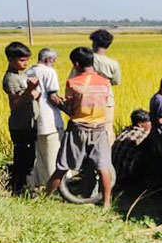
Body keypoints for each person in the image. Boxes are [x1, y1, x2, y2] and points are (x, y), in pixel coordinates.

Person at [46, 47, 114, 210]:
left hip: (78, 128)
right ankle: (106, 204)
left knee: (62, 166)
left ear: (76, 64)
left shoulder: (73, 83)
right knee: (103, 167)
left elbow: (71, 109)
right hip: (99, 129)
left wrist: (59, 103)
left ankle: (45, 198)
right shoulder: (105, 82)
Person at [70, 30, 121, 144]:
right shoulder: (113, 63)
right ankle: (108, 156)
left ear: (94, 43)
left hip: (84, 98)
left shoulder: (85, 58)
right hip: (107, 99)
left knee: (85, 127)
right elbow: (116, 81)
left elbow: (73, 79)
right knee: (107, 129)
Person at [2, 41, 40, 195]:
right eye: (22, 60)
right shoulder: (10, 79)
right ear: (11, 60)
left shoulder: (23, 75)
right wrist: (30, 92)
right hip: (21, 125)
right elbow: (14, 104)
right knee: (22, 158)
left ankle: (27, 187)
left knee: (31, 157)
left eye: (27, 59)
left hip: (31, 122)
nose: (26, 63)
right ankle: (18, 188)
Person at [26, 48, 65, 188]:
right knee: (53, 154)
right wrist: (68, 108)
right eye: (53, 61)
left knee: (40, 155)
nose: (53, 64)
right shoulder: (49, 72)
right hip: (49, 119)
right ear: (48, 59)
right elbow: (52, 96)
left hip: (34, 119)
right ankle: (55, 186)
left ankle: (40, 184)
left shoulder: (28, 71)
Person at [111, 109, 153, 182]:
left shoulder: (126, 130)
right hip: (125, 175)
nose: (151, 123)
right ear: (140, 124)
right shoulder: (143, 134)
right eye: (149, 121)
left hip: (113, 172)